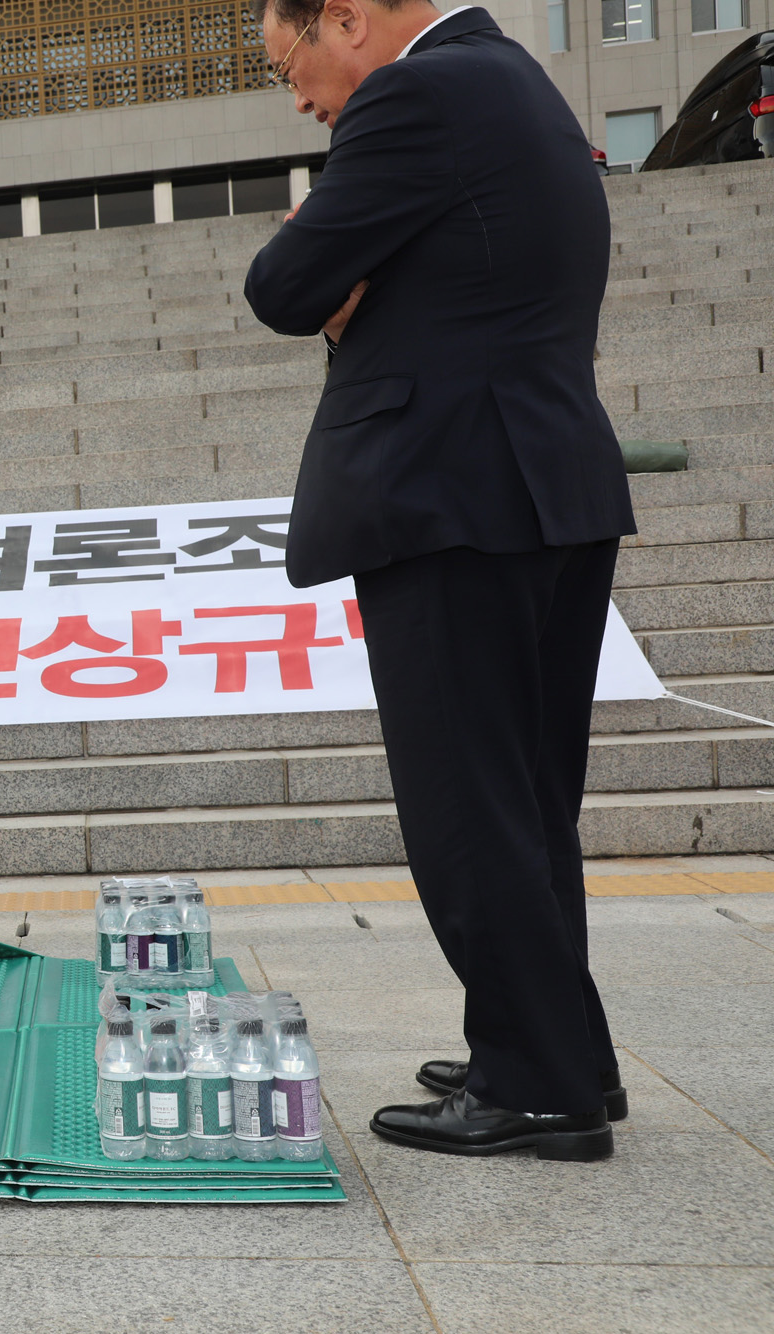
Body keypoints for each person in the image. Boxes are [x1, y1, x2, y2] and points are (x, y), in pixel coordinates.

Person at [243, 0, 636, 1161]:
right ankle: (565, 1054)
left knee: (470, 807)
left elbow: (281, 285)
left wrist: (321, 254)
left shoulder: (413, 96)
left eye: (293, 68)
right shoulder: (512, 81)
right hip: (543, 482)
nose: (304, 101)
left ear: (347, 22)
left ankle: (538, 1085)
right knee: (522, 803)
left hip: (451, 496)